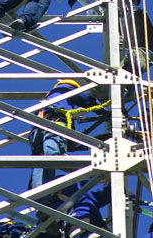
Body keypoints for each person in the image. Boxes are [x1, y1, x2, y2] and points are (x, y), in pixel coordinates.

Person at [28, 80, 108, 236]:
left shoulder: (45, 103)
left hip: (40, 131)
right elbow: (85, 100)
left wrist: (88, 144)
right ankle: (76, 169)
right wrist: (105, 112)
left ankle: (43, 204)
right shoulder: (65, 89)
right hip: (53, 124)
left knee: (42, 162)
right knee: (51, 155)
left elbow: (69, 144)